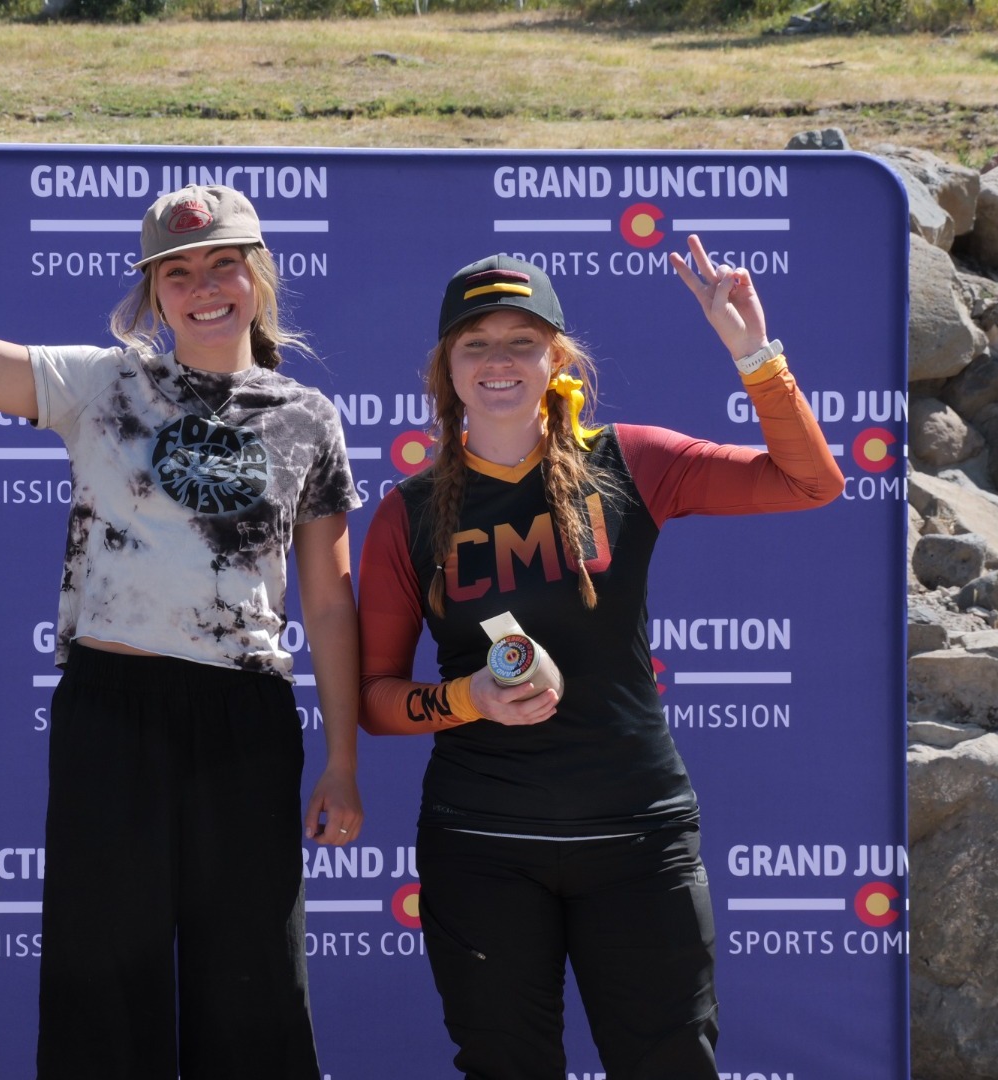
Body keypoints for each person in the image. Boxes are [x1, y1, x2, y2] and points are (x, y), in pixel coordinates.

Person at [0, 106, 363, 1079]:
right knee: (101, 990)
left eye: (222, 266)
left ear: (258, 278)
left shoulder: (308, 417)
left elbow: (326, 604)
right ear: (152, 294)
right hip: (113, 711)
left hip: (245, 717)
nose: (203, 288)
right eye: (177, 273)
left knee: (255, 988)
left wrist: (343, 761)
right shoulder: (100, 383)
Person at [356, 242, 845, 1080]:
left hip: (638, 834)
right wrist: (470, 697)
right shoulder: (407, 513)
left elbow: (809, 483)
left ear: (556, 360)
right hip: (481, 843)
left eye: (521, 341)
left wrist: (753, 356)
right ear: (445, 370)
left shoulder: (631, 461)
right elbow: (375, 698)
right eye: (475, 344)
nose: (498, 361)